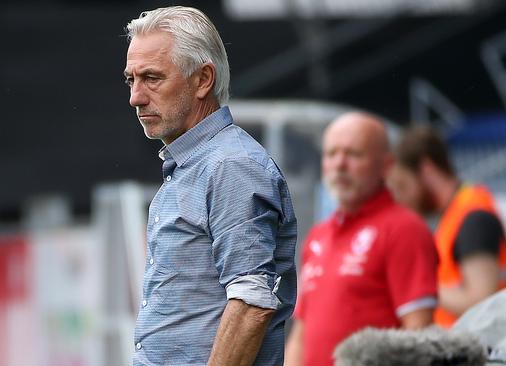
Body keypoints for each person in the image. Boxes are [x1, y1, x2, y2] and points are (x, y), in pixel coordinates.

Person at [124, 6, 297, 366]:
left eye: (152, 78)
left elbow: (252, 301)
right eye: (131, 79)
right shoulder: (197, 164)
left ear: (203, 79)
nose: (136, 98)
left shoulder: (231, 166)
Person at [284, 112, 439, 366]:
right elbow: (301, 334)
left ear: (386, 166)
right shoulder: (318, 235)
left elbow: (419, 333)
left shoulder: (404, 229)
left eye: (353, 154)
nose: (339, 164)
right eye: (331, 154)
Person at [388, 125, 506, 328]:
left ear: (427, 169)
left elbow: (481, 301)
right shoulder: (456, 213)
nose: (402, 199)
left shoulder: (473, 216)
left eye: (403, 186)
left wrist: (418, 283)